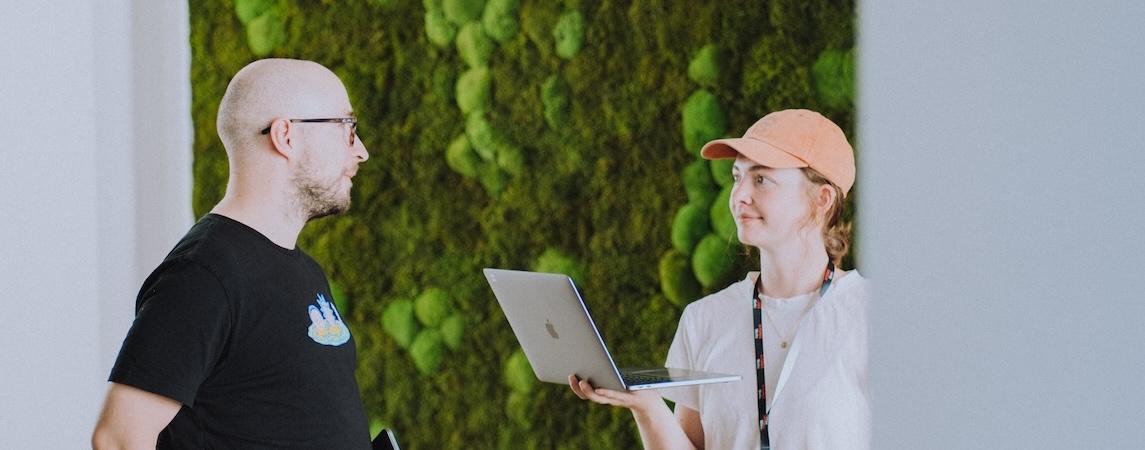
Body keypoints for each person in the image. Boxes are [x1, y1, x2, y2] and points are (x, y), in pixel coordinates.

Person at [92, 58, 372, 449]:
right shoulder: (203, 275)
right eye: (347, 128)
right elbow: (118, 439)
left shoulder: (306, 272)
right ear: (286, 136)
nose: (360, 151)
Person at [570, 109, 871, 449]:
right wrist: (647, 406)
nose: (738, 195)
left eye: (761, 179)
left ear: (821, 199)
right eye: (736, 176)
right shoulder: (704, 319)